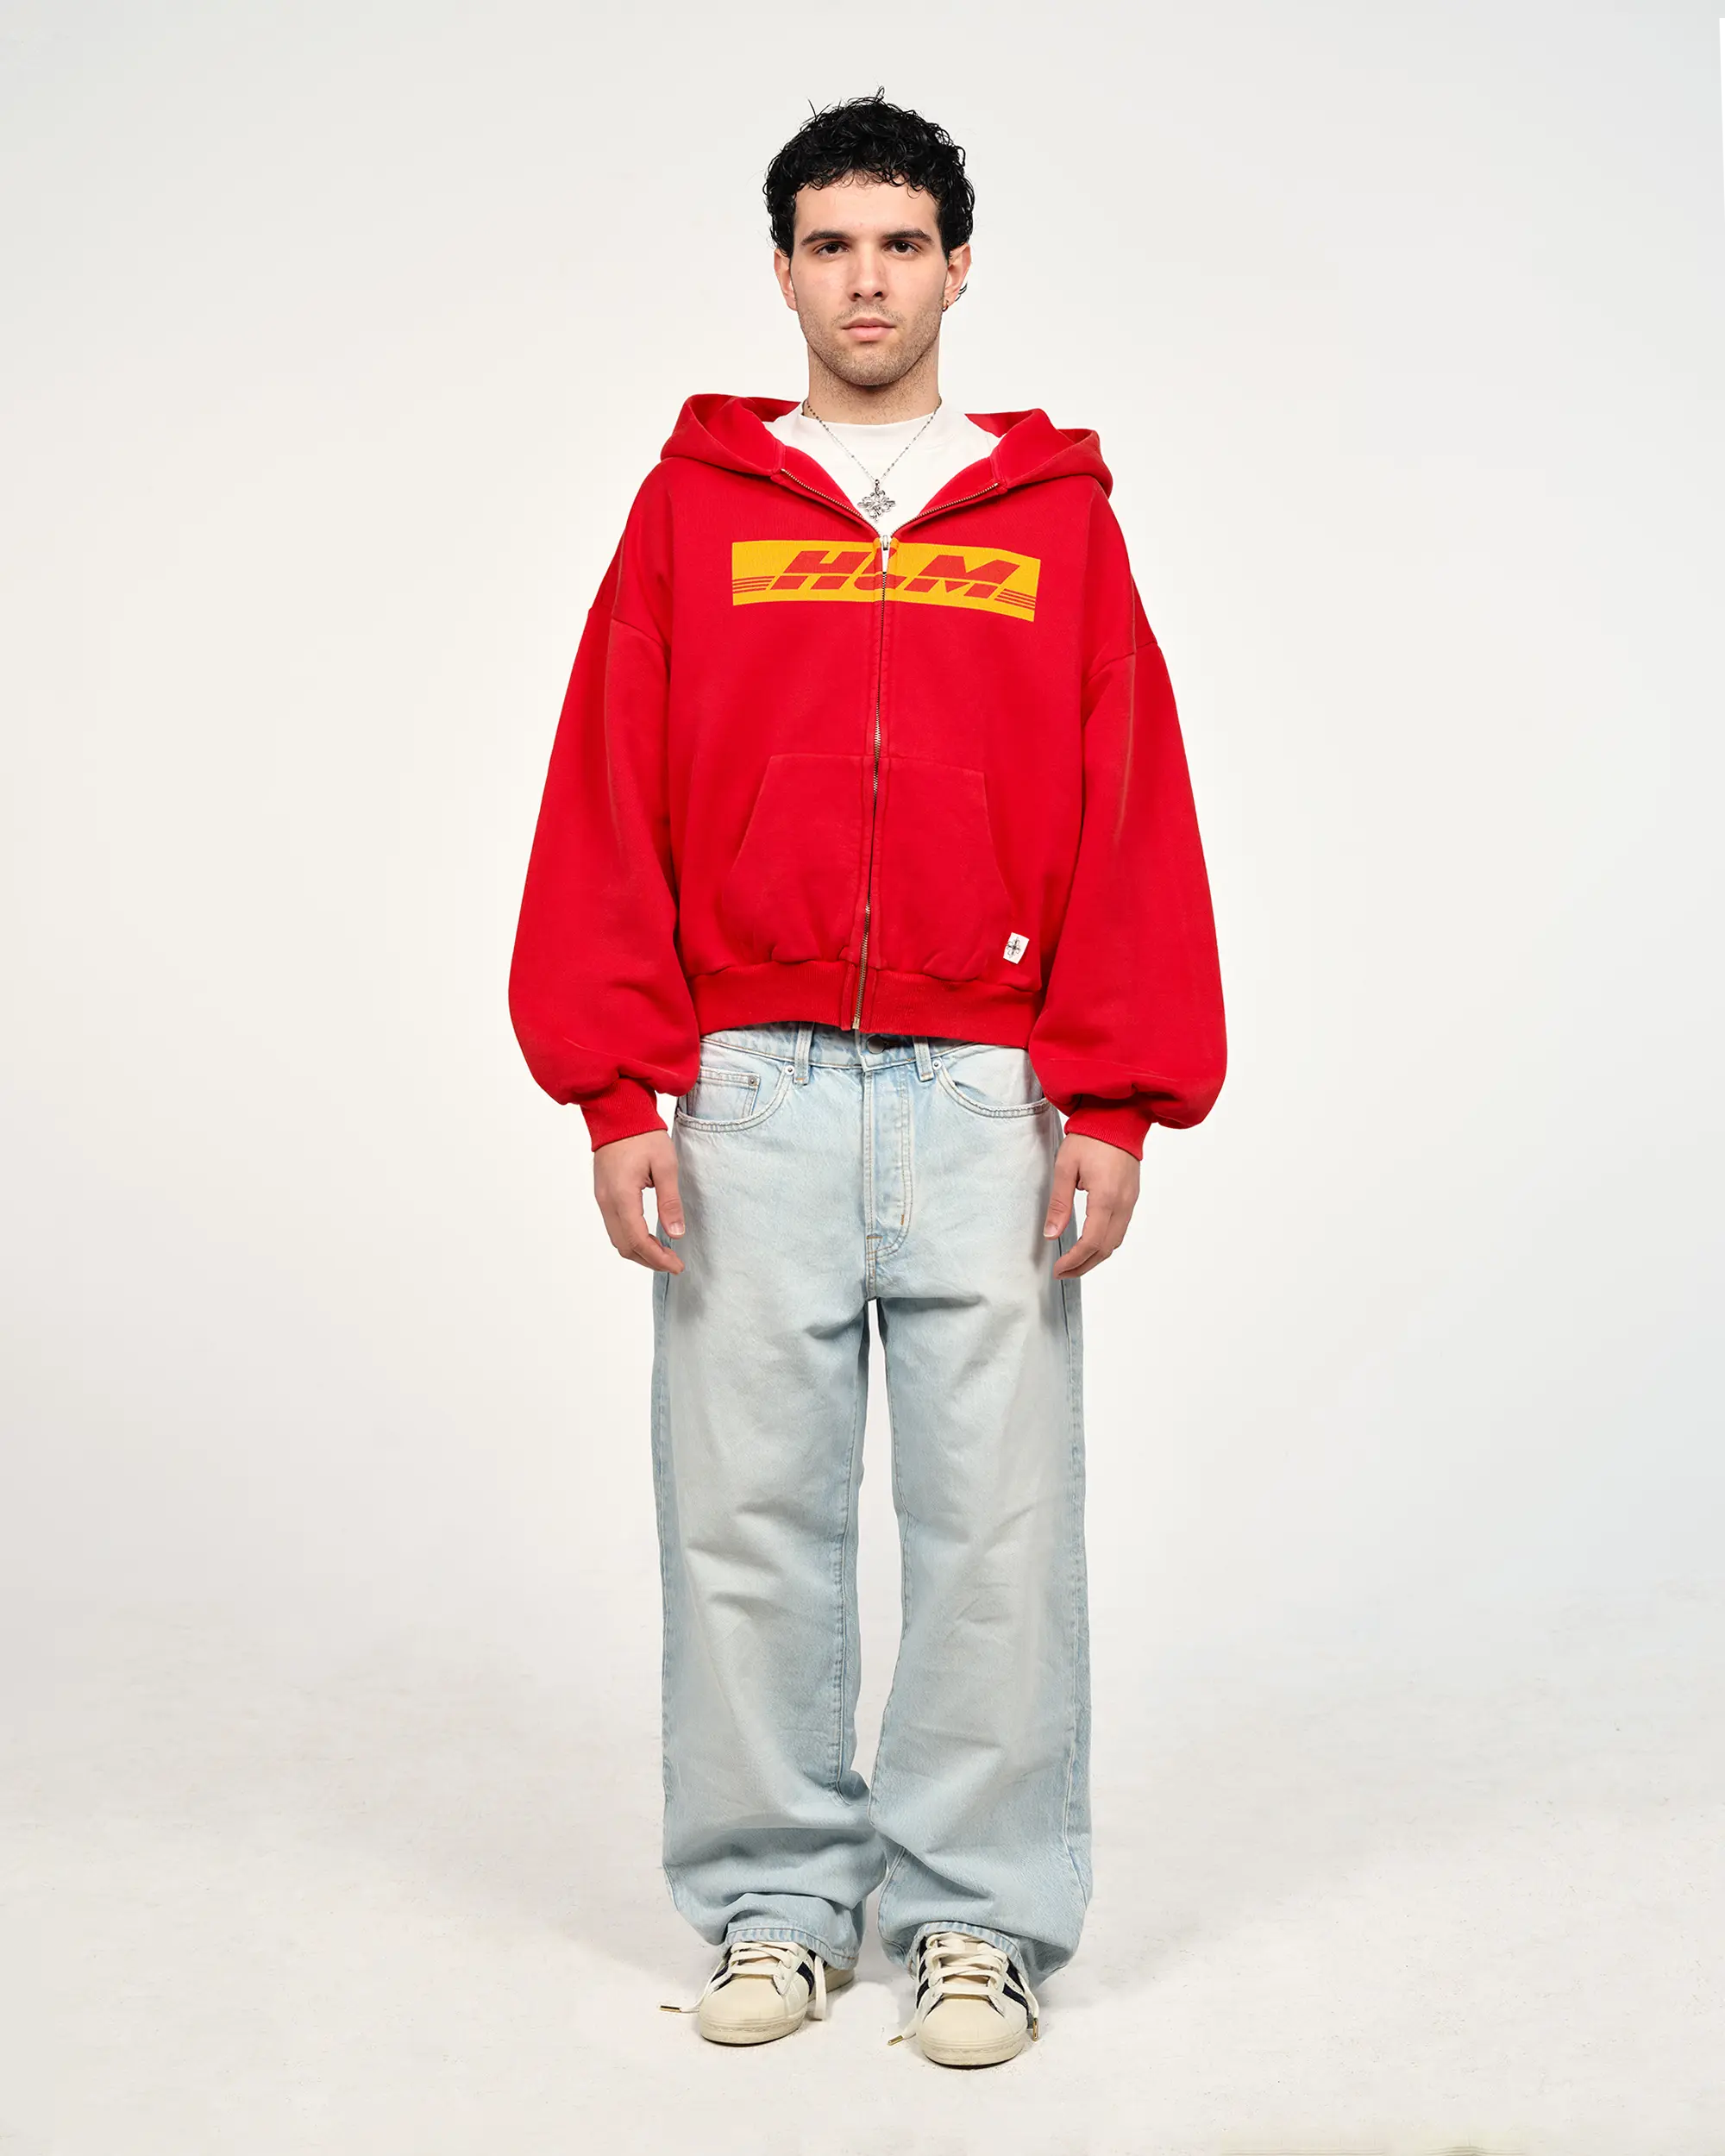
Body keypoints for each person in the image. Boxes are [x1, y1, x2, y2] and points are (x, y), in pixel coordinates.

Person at [508, 92, 1226, 2069]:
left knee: (997, 1529)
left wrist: (1113, 1099)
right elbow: (604, 785)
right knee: (745, 1519)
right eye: (830, 245)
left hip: (989, 1092)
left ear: (959, 265)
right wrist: (618, 1089)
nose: (867, 280)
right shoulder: (696, 510)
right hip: (747, 1087)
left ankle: (977, 1917)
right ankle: (770, 1903)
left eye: (902, 243)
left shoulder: (1051, 518)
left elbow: (1132, 799)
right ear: (782, 271)